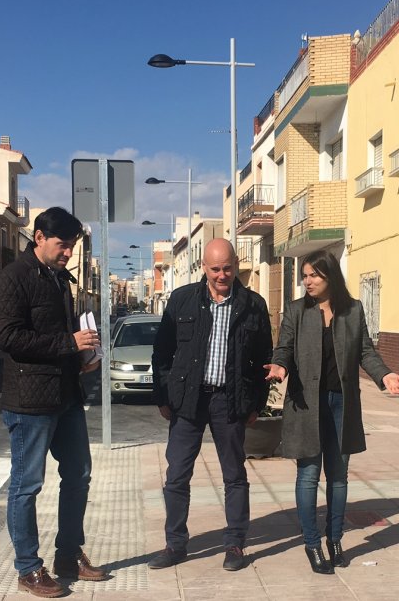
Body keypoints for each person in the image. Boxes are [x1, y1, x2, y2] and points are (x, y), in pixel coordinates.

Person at [265, 249, 399, 574]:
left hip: (341, 404)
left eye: (313, 275)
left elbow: (365, 351)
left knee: (339, 478)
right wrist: (280, 366)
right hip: (307, 405)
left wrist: (384, 375)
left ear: (330, 277)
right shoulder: (296, 310)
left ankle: (335, 539)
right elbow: (284, 347)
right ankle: (313, 545)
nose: (307, 281)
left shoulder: (352, 311)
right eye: (305, 275)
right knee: (309, 474)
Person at [0, 207, 108, 598]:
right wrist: (67, 344)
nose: (68, 253)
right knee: (27, 485)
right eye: (62, 245)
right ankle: (28, 567)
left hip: (67, 395)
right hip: (29, 401)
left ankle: (68, 556)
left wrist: (82, 356)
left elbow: (62, 335)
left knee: (79, 475)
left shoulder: (60, 280)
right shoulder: (12, 279)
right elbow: (9, 338)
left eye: (73, 246)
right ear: (38, 237)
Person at [148, 238, 273, 572]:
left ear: (235, 264)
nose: (222, 275)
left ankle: (234, 543)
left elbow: (263, 360)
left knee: (234, 474)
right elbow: (161, 353)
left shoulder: (253, 305)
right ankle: (175, 544)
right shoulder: (182, 300)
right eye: (215, 268)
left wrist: (256, 404)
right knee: (176, 475)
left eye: (228, 268)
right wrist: (163, 396)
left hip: (229, 400)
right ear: (204, 267)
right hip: (188, 400)